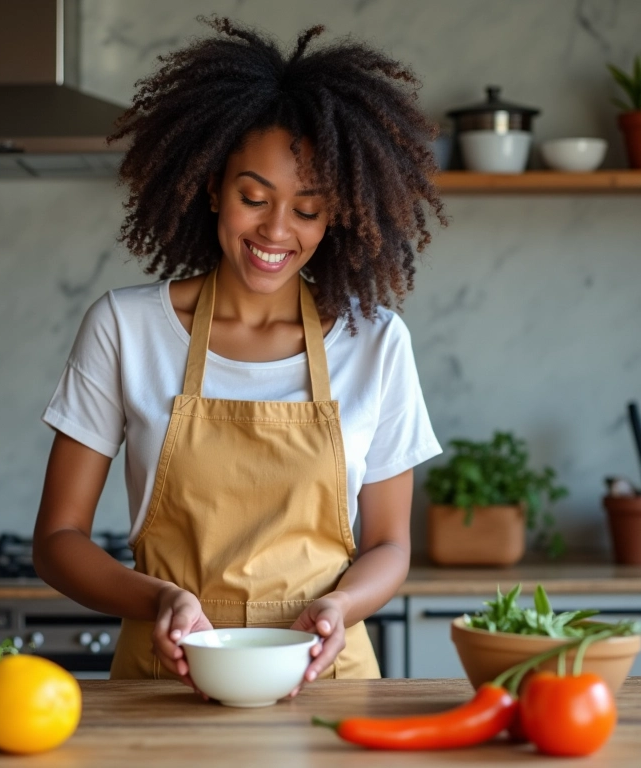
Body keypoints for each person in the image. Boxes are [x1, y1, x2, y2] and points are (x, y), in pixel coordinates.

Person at [32, 17, 446, 689]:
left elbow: (390, 545)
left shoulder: (375, 341)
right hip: (166, 681)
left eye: (307, 209)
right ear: (210, 187)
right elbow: (56, 542)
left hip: (326, 681)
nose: (276, 231)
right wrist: (157, 600)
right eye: (254, 197)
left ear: (338, 214)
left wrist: (342, 604)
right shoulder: (125, 328)